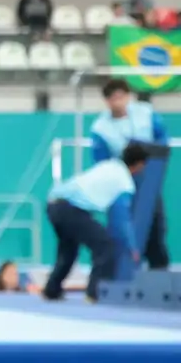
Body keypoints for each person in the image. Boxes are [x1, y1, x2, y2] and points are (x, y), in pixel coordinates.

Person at [43, 143, 150, 301]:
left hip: (53, 204)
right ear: (139, 164)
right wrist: (132, 246)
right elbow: (122, 220)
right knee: (105, 246)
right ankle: (94, 294)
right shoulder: (125, 183)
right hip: (72, 209)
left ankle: (51, 290)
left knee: (68, 250)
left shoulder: (109, 165)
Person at [89, 79, 170, 269]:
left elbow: (162, 139)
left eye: (122, 96)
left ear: (128, 96)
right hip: (122, 184)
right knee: (123, 226)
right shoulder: (100, 128)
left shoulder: (146, 113)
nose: (119, 102)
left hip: (149, 180)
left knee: (155, 225)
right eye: (113, 98)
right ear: (107, 101)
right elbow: (101, 161)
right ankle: (122, 269)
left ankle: (159, 269)